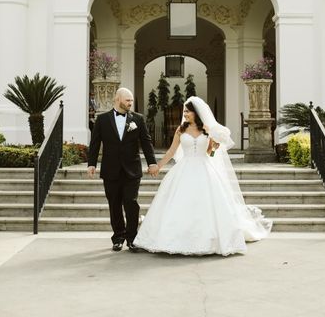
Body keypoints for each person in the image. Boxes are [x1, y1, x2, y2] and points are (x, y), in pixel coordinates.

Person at [133, 96, 272, 256]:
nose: (184, 114)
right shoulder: (181, 130)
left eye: (187, 111)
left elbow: (210, 153)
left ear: (196, 113)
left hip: (204, 167)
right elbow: (171, 151)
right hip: (184, 169)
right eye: (184, 111)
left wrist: (213, 147)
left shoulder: (206, 129)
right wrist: (158, 166)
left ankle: (210, 240)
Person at [87, 88, 158, 252]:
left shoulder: (138, 119)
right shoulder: (102, 119)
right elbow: (95, 143)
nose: (130, 103)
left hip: (132, 170)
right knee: (114, 204)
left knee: (131, 203)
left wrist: (152, 163)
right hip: (110, 169)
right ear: (117, 99)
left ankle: (132, 238)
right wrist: (91, 164)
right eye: (127, 100)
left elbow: (146, 143)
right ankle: (118, 237)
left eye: (131, 100)